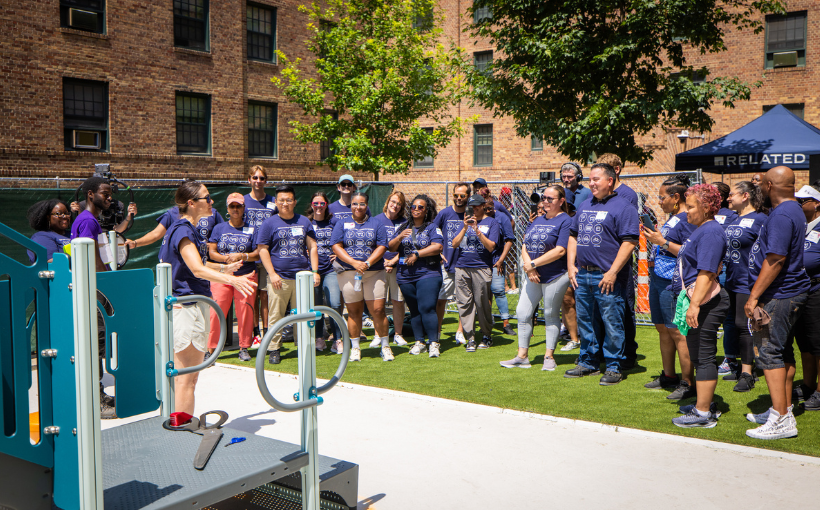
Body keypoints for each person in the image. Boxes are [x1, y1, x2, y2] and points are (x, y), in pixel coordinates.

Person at [158, 181, 256, 415]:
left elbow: (198, 264)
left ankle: (180, 421)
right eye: (207, 198)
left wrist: (223, 271)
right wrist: (233, 281)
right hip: (187, 306)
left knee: (188, 377)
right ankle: (181, 426)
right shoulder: (182, 230)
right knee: (187, 378)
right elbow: (196, 269)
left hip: (190, 304)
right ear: (191, 203)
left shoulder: (186, 229)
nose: (211, 202)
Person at [744, 166, 809, 440]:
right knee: (782, 352)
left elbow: (776, 259)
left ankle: (781, 419)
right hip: (788, 292)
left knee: (769, 352)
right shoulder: (794, 209)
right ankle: (782, 408)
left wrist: (754, 296)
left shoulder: (782, 214)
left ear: (768, 185)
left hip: (779, 295)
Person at [565, 163, 639, 385]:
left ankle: (614, 366)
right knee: (586, 320)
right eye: (590, 179)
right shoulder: (585, 205)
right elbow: (573, 236)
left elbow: (630, 242)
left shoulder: (624, 207)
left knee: (612, 321)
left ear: (610, 180)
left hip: (606, 277)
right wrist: (570, 266)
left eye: (596, 179)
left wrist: (612, 272)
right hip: (583, 275)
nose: (592, 183)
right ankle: (588, 362)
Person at [669, 184, 728, 428]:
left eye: (691, 207)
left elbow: (706, 272)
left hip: (707, 302)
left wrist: (693, 306)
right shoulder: (702, 229)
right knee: (697, 354)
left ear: (706, 207)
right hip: (699, 300)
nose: (686, 211)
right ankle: (703, 403)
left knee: (704, 357)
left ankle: (703, 413)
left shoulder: (711, 231)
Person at [501, 185, 572, 370]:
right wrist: (529, 267)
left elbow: (560, 250)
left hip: (555, 275)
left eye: (550, 199)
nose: (545, 202)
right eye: (544, 198)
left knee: (550, 313)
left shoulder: (565, 220)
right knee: (523, 312)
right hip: (533, 275)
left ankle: (549, 357)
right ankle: (522, 356)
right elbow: (524, 243)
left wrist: (533, 264)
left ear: (561, 201)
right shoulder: (538, 219)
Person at [641, 176, 697, 397]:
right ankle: (669, 375)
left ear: (676, 197)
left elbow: (689, 252)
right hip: (658, 279)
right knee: (662, 328)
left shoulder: (688, 219)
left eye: (662, 197)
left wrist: (661, 242)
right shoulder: (673, 217)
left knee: (677, 331)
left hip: (673, 282)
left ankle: (687, 383)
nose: (659, 201)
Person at [255, 185, 320, 365]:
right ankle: (274, 348)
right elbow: (262, 250)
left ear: (295, 202)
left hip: (302, 278)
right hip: (279, 278)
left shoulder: (304, 222)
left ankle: (304, 347)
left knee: (303, 314)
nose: (285, 203)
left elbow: (313, 247)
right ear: (276, 202)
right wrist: (272, 274)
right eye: (281, 200)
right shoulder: (269, 223)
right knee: (276, 315)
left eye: (289, 200)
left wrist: (314, 272)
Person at [70, 177, 117, 418]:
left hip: (96, 288)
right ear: (91, 195)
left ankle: (97, 394)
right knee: (95, 344)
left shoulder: (90, 220)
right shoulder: (87, 221)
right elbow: (90, 259)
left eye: (110, 195)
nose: (109, 198)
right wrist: (105, 290)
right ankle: (96, 399)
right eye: (105, 194)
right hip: (95, 290)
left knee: (97, 343)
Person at [330, 191, 390, 361]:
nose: (358, 207)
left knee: (378, 310)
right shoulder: (342, 223)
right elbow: (336, 245)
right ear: (351, 206)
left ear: (367, 205)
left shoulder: (376, 223)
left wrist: (367, 263)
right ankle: (355, 347)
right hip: (349, 273)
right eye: (355, 204)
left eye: (362, 203)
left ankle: (385, 345)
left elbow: (382, 246)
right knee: (353, 311)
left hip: (374, 272)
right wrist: (354, 262)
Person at [722, 182, 767, 391]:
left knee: (744, 325)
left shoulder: (761, 220)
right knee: (734, 324)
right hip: (730, 280)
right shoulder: (736, 218)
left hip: (747, 282)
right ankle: (741, 367)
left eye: (732, 195)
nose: (728, 198)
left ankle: (748, 373)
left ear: (745, 196)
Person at [596, 153, 639, 368]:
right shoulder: (596, 197)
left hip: (618, 266)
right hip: (597, 266)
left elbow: (627, 235)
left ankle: (628, 353)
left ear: (617, 170)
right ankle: (603, 353)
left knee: (624, 308)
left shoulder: (626, 195)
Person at [388, 195, 444, 357]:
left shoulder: (432, 227)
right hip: (405, 275)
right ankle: (419, 342)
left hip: (428, 273)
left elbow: (438, 247)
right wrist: (399, 237)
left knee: (426, 308)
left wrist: (417, 254)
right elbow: (391, 248)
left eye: (421, 207)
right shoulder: (404, 226)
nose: (416, 210)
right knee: (414, 310)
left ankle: (433, 342)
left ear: (427, 211)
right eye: (413, 207)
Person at [207, 193, 259, 362]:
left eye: (239, 206)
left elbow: (258, 253)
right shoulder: (219, 228)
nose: (235, 209)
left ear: (244, 208)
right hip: (222, 275)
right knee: (215, 311)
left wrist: (242, 256)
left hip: (246, 275)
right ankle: (211, 349)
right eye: (232, 206)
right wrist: (226, 259)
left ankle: (244, 347)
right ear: (227, 209)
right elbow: (211, 251)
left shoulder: (252, 228)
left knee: (245, 311)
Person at [452, 194, 500, 352]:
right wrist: (465, 227)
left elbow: (491, 247)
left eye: (477, 206)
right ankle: (470, 337)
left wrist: (477, 231)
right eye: (472, 207)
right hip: (462, 267)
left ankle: (486, 335)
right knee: (465, 303)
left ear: (483, 206)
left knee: (481, 303)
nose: (474, 209)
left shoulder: (491, 223)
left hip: (481, 267)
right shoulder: (464, 223)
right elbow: (454, 244)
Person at [791, 183, 820, 410]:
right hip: (800, 290)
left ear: (816, 203)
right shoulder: (801, 225)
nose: (797, 205)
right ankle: (809, 385)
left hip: (817, 290)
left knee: (818, 343)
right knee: (805, 342)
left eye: (802, 202)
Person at [433, 182, 470, 344]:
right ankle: (438, 331)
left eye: (462, 195)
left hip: (466, 263)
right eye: (456, 195)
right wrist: (438, 252)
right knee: (441, 299)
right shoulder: (445, 213)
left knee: (464, 301)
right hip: (448, 264)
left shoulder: (471, 213)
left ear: (468, 196)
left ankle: (460, 331)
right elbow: (432, 232)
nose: (459, 198)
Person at [244, 165, 277, 344]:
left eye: (261, 178)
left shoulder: (273, 202)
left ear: (266, 180)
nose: (258, 181)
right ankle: (254, 332)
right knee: (252, 295)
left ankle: (267, 332)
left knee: (265, 294)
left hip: (268, 255)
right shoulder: (242, 201)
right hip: (248, 254)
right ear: (249, 180)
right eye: (255, 178)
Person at [305, 191, 341, 353]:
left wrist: (339, 253)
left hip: (330, 269)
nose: (319, 207)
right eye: (315, 203)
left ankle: (338, 338)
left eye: (322, 203)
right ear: (311, 205)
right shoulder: (306, 223)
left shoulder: (334, 223)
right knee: (317, 305)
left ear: (327, 205)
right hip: (312, 270)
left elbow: (344, 241)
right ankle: (319, 337)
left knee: (334, 303)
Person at [712, 181, 740, 377]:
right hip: (704, 270)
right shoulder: (704, 213)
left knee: (728, 317)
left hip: (723, 270)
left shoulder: (732, 216)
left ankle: (730, 358)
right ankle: (708, 356)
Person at [375, 191, 409, 346]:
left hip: (398, 266)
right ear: (388, 201)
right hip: (379, 266)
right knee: (378, 303)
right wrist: (383, 262)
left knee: (398, 301)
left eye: (399, 204)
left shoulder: (405, 223)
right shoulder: (376, 220)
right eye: (393, 202)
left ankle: (398, 334)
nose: (395, 206)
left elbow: (406, 247)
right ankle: (378, 335)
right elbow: (373, 245)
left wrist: (393, 262)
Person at [485, 200, 516, 336]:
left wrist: (501, 259)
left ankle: (506, 323)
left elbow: (509, 239)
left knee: (498, 290)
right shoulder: (477, 218)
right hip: (479, 262)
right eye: (484, 208)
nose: (488, 211)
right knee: (483, 293)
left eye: (490, 208)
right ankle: (487, 321)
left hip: (496, 260)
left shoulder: (502, 217)